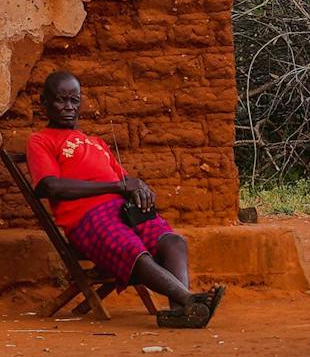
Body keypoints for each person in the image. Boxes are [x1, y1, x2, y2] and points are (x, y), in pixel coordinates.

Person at [25, 70, 224, 329]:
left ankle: (181, 312)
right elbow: (49, 186)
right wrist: (117, 187)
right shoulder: (41, 140)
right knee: (133, 250)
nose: (69, 108)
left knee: (174, 242)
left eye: (75, 100)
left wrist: (139, 188)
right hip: (88, 218)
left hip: (124, 211)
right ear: (44, 103)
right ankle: (189, 299)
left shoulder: (95, 142)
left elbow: (125, 182)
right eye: (61, 100)